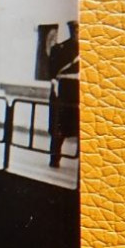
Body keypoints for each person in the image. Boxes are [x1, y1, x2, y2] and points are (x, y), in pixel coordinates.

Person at [48, 20, 79, 168]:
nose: (77, 33)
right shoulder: (61, 49)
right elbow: (53, 72)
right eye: (75, 30)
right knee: (58, 126)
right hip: (65, 90)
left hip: (79, 91)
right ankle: (55, 158)